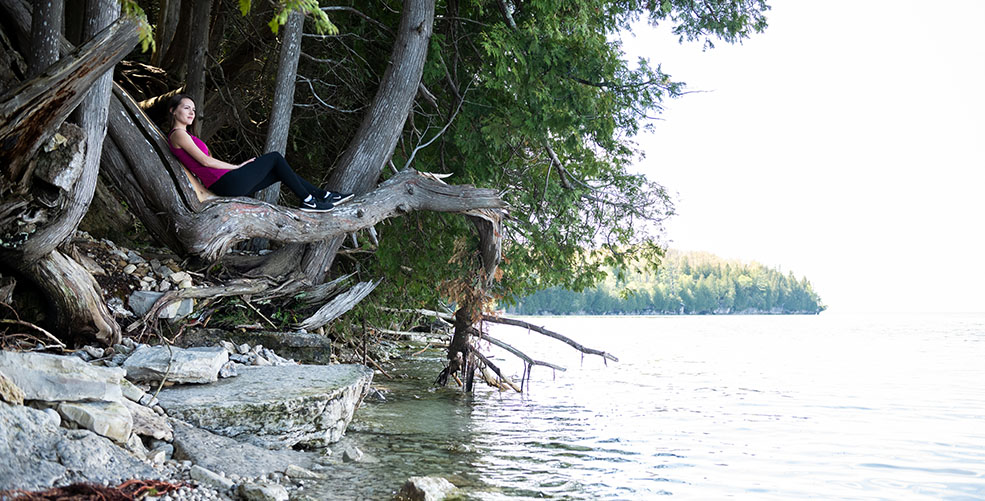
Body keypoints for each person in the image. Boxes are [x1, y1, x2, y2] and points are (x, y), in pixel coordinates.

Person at [166, 94, 351, 212]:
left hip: (226, 183)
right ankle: (309, 201)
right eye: (186, 108)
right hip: (226, 183)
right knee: (275, 158)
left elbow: (206, 163)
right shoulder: (179, 135)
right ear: (173, 111)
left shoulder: (186, 135)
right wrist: (236, 167)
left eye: (193, 109)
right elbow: (205, 162)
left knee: (278, 172)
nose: (191, 112)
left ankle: (322, 196)